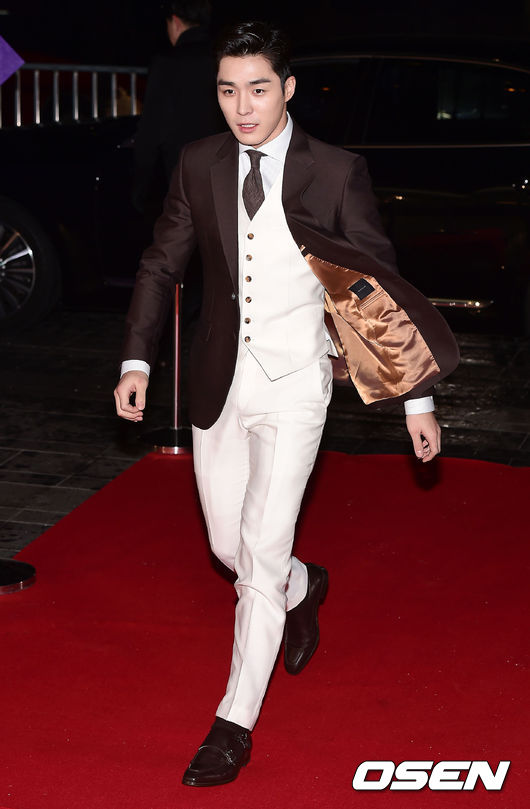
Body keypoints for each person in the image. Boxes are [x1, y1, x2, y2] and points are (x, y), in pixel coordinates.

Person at [114, 21, 459, 788]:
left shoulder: (334, 172)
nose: (243, 107)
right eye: (228, 90)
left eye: (259, 89)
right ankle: (304, 585)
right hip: (217, 380)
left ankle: (232, 724)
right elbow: (161, 263)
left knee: (259, 556)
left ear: (288, 88)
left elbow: (377, 286)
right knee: (228, 547)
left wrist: (416, 399)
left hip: (298, 384)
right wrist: (137, 358)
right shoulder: (198, 162)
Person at [132, 0, 223, 215]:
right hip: (227, 175)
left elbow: (150, 132)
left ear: (175, 22)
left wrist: (138, 191)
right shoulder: (224, 59)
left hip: (185, 180)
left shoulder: (167, 63)